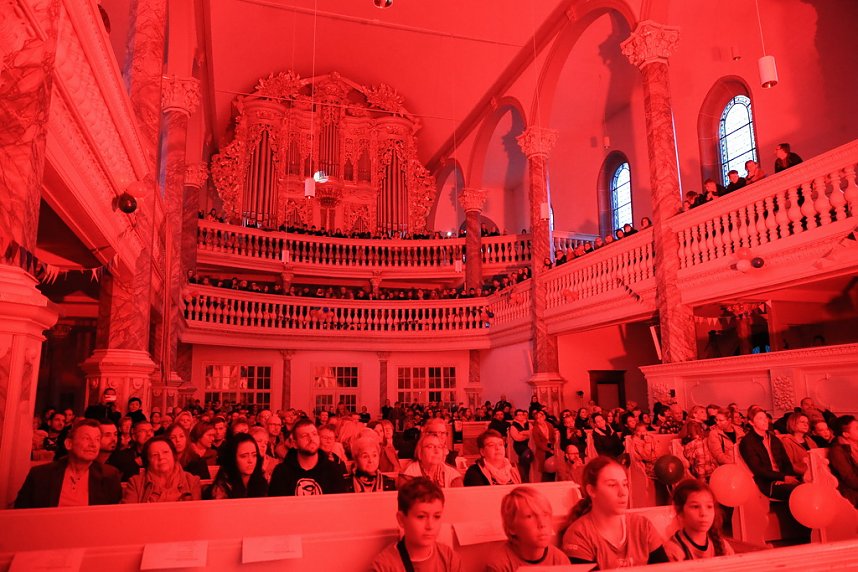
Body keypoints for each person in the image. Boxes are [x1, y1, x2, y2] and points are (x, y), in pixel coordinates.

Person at [560, 457, 668, 568]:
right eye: (612, 485)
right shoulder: (579, 535)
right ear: (591, 490)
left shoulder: (642, 526)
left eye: (625, 484)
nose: (622, 492)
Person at [15, 419, 122, 508]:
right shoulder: (40, 475)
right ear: (69, 444)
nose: (93, 444)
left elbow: (112, 517)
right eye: (86, 438)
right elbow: (21, 514)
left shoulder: (109, 476)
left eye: (97, 439)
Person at [369, 478, 462, 572]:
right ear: (401, 519)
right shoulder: (383, 566)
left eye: (437, 516)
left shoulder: (449, 558)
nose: (430, 526)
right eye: (421, 517)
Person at [485, 487, 569, 571]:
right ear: (511, 527)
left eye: (545, 514)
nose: (542, 524)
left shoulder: (560, 560)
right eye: (529, 516)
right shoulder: (499, 566)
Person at [268, 418, 346, 496]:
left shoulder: (334, 470)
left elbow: (340, 502)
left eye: (314, 434)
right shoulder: (282, 472)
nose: (311, 439)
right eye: (304, 436)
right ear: (295, 444)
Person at [739, 406, 800, 500]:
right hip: (766, 482)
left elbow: (786, 462)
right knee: (797, 492)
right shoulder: (747, 442)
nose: (765, 421)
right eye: (760, 418)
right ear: (751, 423)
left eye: (765, 417)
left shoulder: (774, 439)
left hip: (782, 478)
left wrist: (788, 477)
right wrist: (783, 477)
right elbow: (758, 470)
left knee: (806, 486)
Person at [664, 479, 734, 561]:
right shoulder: (672, 550)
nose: (703, 513)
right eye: (695, 506)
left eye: (709, 507)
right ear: (680, 511)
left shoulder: (723, 546)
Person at [122, 436, 201, 503]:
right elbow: (128, 513)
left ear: (174, 455)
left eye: (165, 452)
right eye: (155, 455)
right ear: (147, 460)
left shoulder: (192, 481)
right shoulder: (135, 483)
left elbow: (195, 513)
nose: (161, 457)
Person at [209, 433, 268, 499]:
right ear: (233, 458)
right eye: (244, 456)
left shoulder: (260, 481)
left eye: (254, 455)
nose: (250, 460)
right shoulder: (222, 488)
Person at [828, 415, 858, 508]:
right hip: (850, 493)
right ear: (846, 434)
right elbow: (850, 479)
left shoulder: (855, 447)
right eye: (857, 429)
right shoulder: (837, 450)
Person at [779, 412, 817, 477]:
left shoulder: (809, 440)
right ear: (793, 424)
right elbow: (789, 464)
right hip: (799, 476)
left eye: (807, 423)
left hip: (814, 473)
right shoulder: (787, 441)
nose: (806, 425)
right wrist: (808, 472)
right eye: (802, 422)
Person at [509, 409, 533, 483]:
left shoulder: (528, 424)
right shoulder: (513, 426)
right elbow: (516, 438)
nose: (521, 416)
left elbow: (532, 432)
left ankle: (525, 477)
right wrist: (526, 436)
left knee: (526, 460)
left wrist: (523, 433)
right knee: (527, 455)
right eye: (519, 415)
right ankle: (524, 477)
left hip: (528, 444)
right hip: (519, 446)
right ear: (515, 416)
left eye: (522, 414)